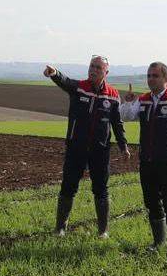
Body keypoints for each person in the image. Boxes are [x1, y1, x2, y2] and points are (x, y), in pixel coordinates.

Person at [44, 56, 130, 238]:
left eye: (98, 67)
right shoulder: (79, 87)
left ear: (106, 72)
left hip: (100, 150)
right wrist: (54, 73)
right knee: (68, 186)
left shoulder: (113, 95)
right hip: (76, 147)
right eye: (92, 66)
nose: (93, 70)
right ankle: (60, 228)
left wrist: (123, 146)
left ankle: (103, 231)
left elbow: (117, 123)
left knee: (101, 189)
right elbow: (65, 81)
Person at [120, 61, 167, 257]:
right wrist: (127, 102)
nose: (151, 79)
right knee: (151, 201)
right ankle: (158, 241)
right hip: (147, 159)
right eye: (149, 76)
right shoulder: (143, 100)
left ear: (166, 79)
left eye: (155, 76)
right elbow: (126, 116)